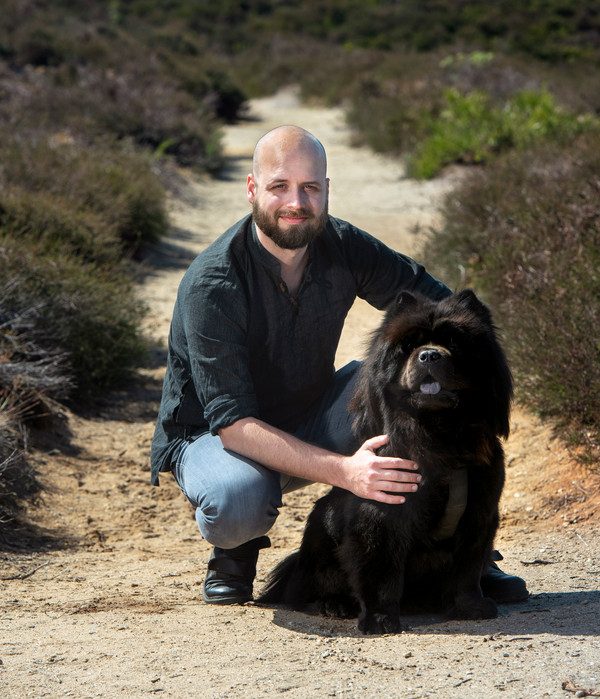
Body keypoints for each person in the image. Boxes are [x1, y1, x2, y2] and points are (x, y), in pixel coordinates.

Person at [150, 125, 528, 606]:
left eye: (311, 187)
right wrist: (348, 473)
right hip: (215, 435)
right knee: (239, 497)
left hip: (309, 411)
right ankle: (235, 555)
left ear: (327, 190)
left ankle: (466, 561)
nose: (297, 202)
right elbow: (234, 425)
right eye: (279, 186)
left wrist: (468, 371)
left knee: (409, 398)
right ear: (251, 189)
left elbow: (443, 305)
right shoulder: (213, 283)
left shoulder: (343, 243)